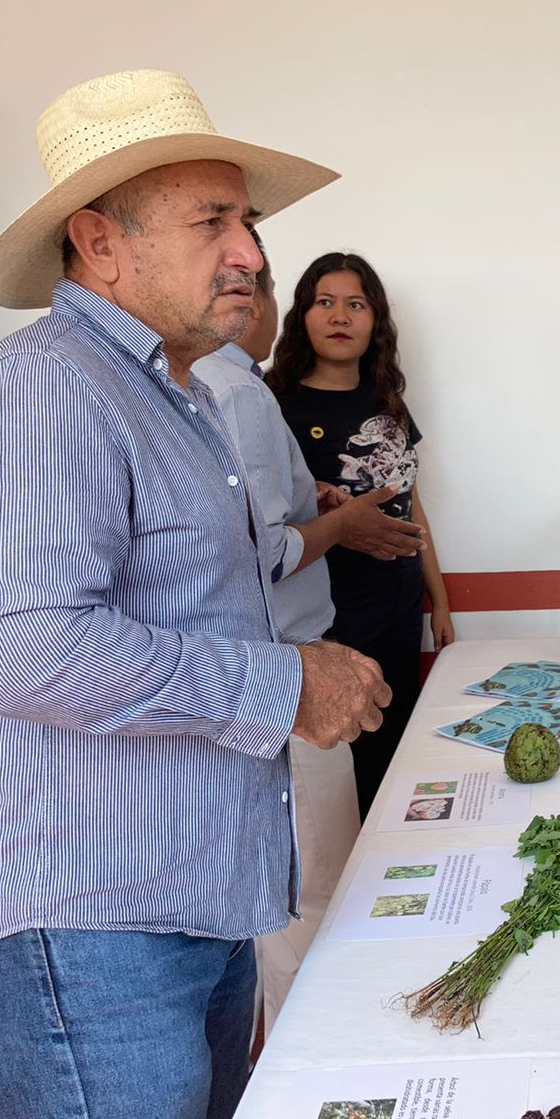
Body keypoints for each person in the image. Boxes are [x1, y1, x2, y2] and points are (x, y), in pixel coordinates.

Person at [0, 69, 398, 1119]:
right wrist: (286, 683)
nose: (251, 255)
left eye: (249, 223)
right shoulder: (42, 393)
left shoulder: (169, 398)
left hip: (179, 909)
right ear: (98, 241)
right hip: (84, 926)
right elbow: (26, 648)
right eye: (211, 221)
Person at [194, 232, 415, 1031]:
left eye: (355, 303)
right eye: (314, 297)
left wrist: (314, 501)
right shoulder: (244, 393)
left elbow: (251, 516)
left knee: (295, 871)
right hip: (289, 670)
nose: (332, 314)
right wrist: (345, 522)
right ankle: (313, 1046)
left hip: (268, 665)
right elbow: (265, 550)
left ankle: (287, 1030)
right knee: (313, 882)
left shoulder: (190, 386)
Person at [267, 252, 455, 816]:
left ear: (376, 322)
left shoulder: (387, 403)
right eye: (325, 302)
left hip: (400, 602)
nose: (340, 316)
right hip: (331, 614)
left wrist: (438, 602)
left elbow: (411, 502)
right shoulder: (276, 405)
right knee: (346, 756)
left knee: (398, 743)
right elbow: (265, 525)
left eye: (356, 304)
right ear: (302, 315)